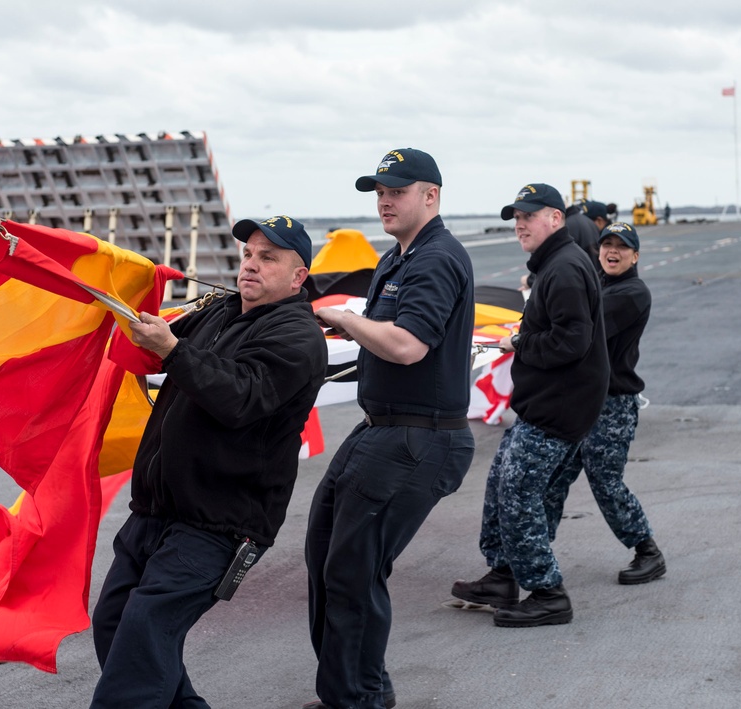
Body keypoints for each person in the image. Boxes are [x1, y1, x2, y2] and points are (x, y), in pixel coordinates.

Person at [89, 215, 328, 708]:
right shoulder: (219, 310)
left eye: (269, 258)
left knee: (143, 639)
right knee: (116, 624)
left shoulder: (298, 337)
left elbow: (240, 396)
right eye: (247, 255)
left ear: (298, 276)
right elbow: (160, 341)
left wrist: (173, 350)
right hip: (157, 509)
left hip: (220, 522)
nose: (251, 266)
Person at [305, 148, 476, 708]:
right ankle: (354, 689)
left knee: (353, 572)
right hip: (382, 428)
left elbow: (407, 345)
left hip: (418, 437)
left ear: (431, 195)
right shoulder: (398, 257)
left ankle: (359, 699)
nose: (384, 199)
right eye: (379, 190)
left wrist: (344, 316)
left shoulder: (435, 259)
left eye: (397, 190)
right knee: (326, 554)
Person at [451, 183, 609, 627]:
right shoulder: (555, 264)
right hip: (545, 406)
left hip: (558, 410)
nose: (520, 224)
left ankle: (547, 593)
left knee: (519, 495)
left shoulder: (563, 269)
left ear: (555, 218)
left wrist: (519, 341)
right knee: (501, 482)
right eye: (516, 217)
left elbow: (571, 342)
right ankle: (502, 575)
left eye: (528, 215)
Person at [544, 222, 666, 583]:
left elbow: (582, 323)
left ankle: (648, 551)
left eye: (622, 247)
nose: (612, 252)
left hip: (612, 405)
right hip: (581, 402)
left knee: (605, 481)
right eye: (606, 244)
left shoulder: (632, 293)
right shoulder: (599, 284)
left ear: (635, 255)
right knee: (553, 478)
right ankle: (531, 553)